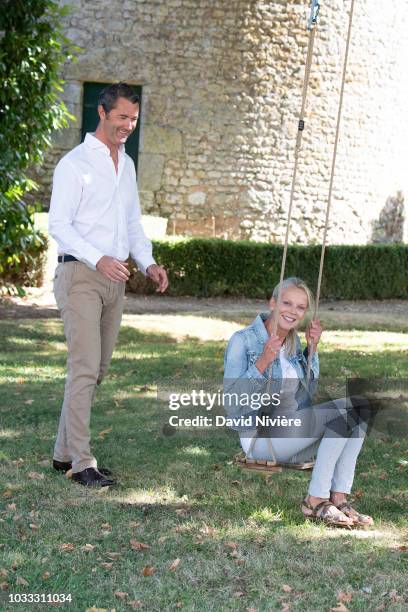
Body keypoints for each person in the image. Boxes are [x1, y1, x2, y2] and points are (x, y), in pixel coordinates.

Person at [49, 82, 168, 487]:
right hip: (80, 275)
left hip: (114, 282)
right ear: (101, 113)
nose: (128, 126)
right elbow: (58, 225)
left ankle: (63, 453)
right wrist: (98, 258)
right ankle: (82, 462)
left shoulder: (128, 165)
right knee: (84, 369)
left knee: (95, 370)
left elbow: (132, 223)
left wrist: (148, 262)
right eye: (122, 117)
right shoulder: (75, 164)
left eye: (134, 119)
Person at [223, 277, 373, 527]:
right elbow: (233, 403)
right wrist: (261, 363)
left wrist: (312, 348)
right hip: (261, 439)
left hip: (293, 433)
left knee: (359, 408)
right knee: (347, 409)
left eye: (300, 307)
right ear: (272, 303)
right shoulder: (243, 341)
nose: (293, 311)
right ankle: (315, 500)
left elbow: (306, 394)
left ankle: (338, 497)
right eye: (287, 303)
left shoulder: (292, 342)